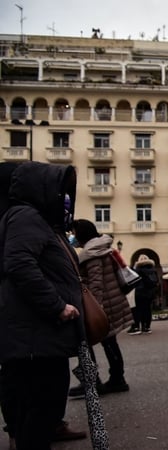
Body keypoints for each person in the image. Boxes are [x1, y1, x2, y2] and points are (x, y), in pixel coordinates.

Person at [0, 162, 87, 449]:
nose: (64, 197)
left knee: (41, 408)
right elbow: (20, 264)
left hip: (41, 337)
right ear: (42, 188)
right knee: (39, 408)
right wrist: (57, 306)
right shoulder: (26, 216)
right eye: (59, 189)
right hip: (35, 337)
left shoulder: (38, 220)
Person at [68, 219, 133, 396]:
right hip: (113, 302)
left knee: (87, 343)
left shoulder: (92, 254)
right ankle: (116, 379)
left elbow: (96, 284)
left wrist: (94, 310)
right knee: (110, 343)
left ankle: (93, 381)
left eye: (73, 233)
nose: (72, 237)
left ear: (81, 234)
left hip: (103, 306)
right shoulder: (103, 248)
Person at [129, 254, 158, 335]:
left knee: (137, 310)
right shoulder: (153, 270)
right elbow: (156, 281)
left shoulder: (137, 270)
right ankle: (147, 327)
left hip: (139, 293)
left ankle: (137, 327)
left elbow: (131, 278)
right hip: (149, 293)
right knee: (147, 310)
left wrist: (134, 267)